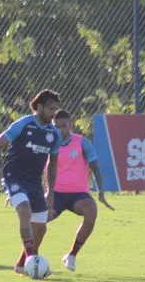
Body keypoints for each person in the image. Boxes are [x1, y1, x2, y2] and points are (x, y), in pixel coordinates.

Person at [0, 89, 63, 276]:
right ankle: (32, 259)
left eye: (56, 109)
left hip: (34, 182)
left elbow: (53, 165)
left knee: (41, 228)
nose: (53, 113)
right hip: (14, 177)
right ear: (39, 107)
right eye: (50, 109)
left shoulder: (54, 134)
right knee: (24, 210)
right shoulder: (23, 124)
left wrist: (50, 191)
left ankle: (22, 264)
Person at [47, 109, 114, 272]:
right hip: (55, 194)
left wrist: (101, 192)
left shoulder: (82, 142)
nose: (61, 130)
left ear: (71, 125)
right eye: (57, 127)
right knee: (37, 220)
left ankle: (72, 255)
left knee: (91, 211)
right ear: (52, 127)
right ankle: (27, 258)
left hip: (78, 195)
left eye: (64, 126)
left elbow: (96, 168)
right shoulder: (47, 143)